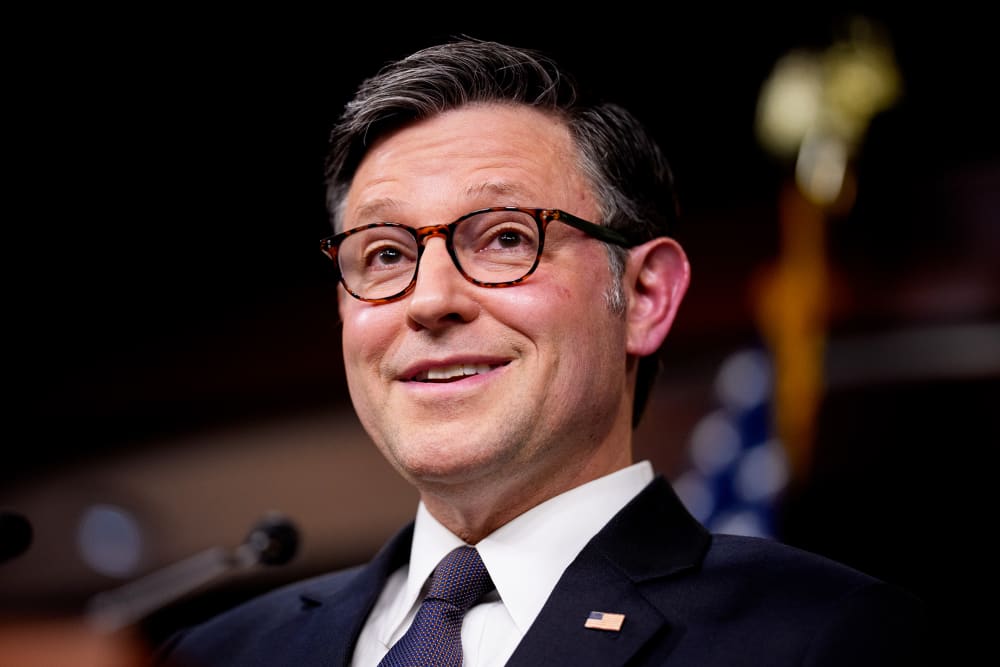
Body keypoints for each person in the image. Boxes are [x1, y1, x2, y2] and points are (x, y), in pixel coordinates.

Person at [154, 37, 926, 666]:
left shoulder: (828, 638)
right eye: (385, 255)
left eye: (505, 238)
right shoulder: (214, 652)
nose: (429, 301)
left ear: (646, 295)